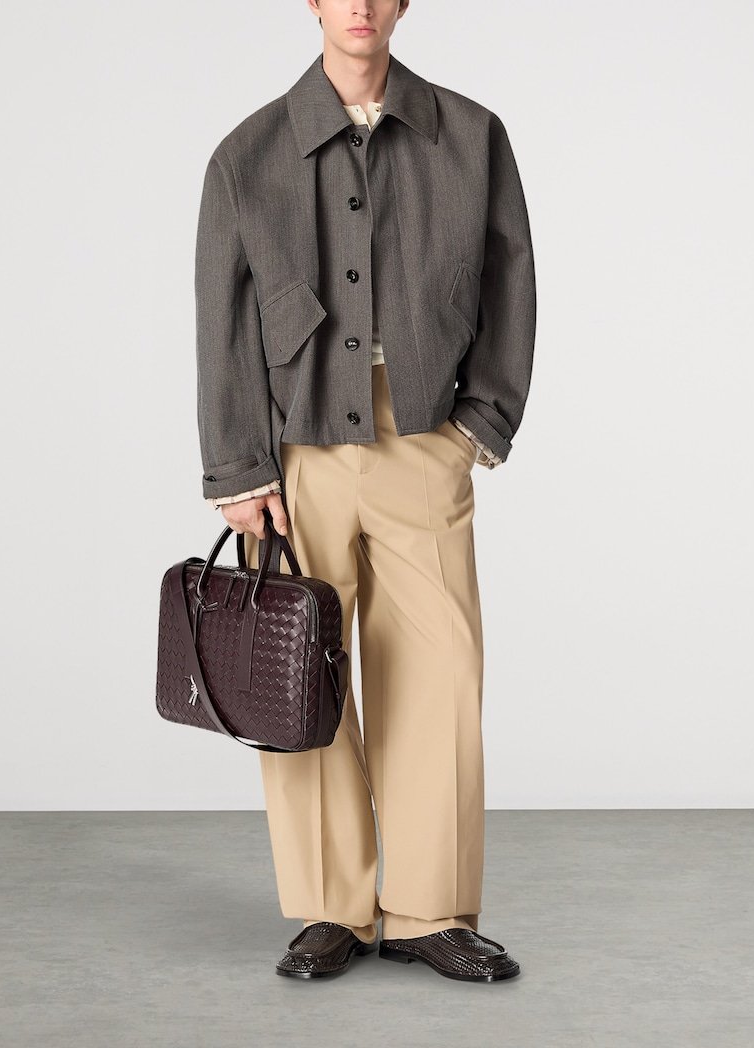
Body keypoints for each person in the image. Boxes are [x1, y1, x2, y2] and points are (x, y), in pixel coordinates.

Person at [194, 0, 536, 982]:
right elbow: (221, 317)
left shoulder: (471, 136)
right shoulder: (246, 155)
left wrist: (481, 422)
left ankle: (429, 909)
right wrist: (237, 469)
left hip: (424, 433)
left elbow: (511, 280)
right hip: (293, 451)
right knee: (297, 677)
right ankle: (330, 907)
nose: (359, 4)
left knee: (439, 672)